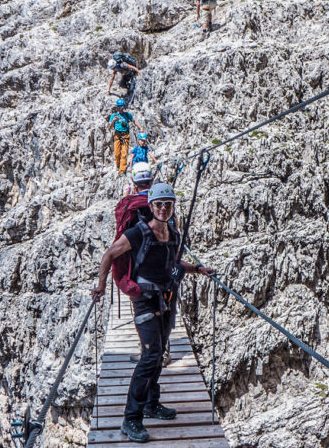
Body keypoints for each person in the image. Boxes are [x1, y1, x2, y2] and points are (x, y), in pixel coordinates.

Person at [92, 183, 214, 443]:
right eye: (158, 204)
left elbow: (172, 262)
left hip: (167, 298)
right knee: (150, 355)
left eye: (167, 204)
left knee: (158, 354)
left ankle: (151, 403)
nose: (163, 208)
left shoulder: (173, 234)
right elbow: (110, 254)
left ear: (172, 207)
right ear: (151, 206)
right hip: (145, 299)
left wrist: (198, 269)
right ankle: (131, 419)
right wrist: (101, 285)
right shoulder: (139, 232)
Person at [109, 98, 142, 175]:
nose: (121, 108)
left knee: (124, 153)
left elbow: (134, 121)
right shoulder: (114, 115)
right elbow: (109, 127)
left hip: (125, 135)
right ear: (117, 107)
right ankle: (118, 165)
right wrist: (113, 121)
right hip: (117, 135)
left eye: (122, 107)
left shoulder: (127, 115)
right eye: (119, 107)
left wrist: (140, 127)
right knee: (117, 154)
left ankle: (122, 171)